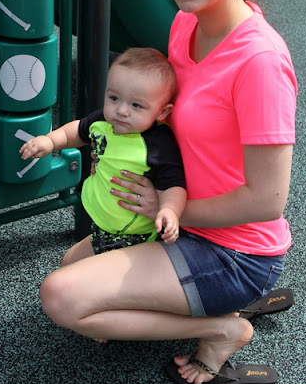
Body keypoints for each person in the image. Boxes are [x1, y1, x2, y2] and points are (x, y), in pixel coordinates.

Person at [37, 0, 298, 384]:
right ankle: (211, 304)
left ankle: (222, 328)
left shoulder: (261, 63)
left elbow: (267, 200)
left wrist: (168, 207)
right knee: (72, 267)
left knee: (62, 297)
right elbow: (161, 117)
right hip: (175, 220)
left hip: (233, 250)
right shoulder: (186, 25)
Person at [20, 47, 187, 252]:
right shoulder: (103, 122)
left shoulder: (158, 144)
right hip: (103, 223)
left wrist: (170, 210)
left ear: (162, 112)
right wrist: (50, 141)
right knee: (68, 261)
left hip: (133, 234)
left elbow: (173, 184)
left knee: (84, 270)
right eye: (114, 98)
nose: (121, 111)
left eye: (136, 105)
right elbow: (77, 131)